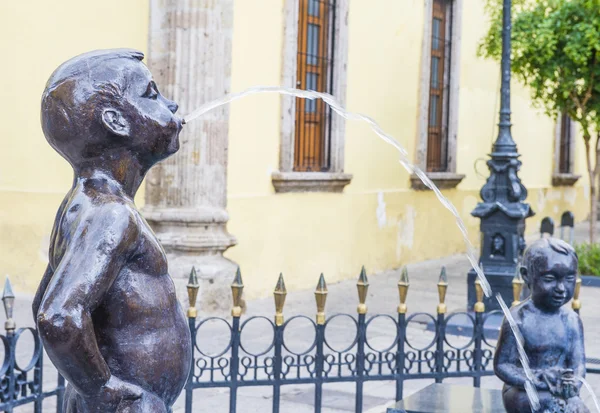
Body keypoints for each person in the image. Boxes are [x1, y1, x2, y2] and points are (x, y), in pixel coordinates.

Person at [32, 49, 191, 413]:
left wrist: (86, 386)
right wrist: (103, 388)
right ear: (116, 121)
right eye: (152, 95)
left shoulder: (82, 203)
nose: (173, 103)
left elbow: (42, 302)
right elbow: (57, 316)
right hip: (129, 404)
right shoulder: (111, 214)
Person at [494, 238, 589, 413]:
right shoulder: (518, 318)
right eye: (550, 279)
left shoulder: (571, 320)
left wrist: (573, 383)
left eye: (569, 279)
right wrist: (534, 379)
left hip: (559, 390)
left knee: (577, 408)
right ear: (526, 276)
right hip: (524, 390)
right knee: (542, 403)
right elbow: (502, 365)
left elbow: (578, 364)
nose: (561, 288)